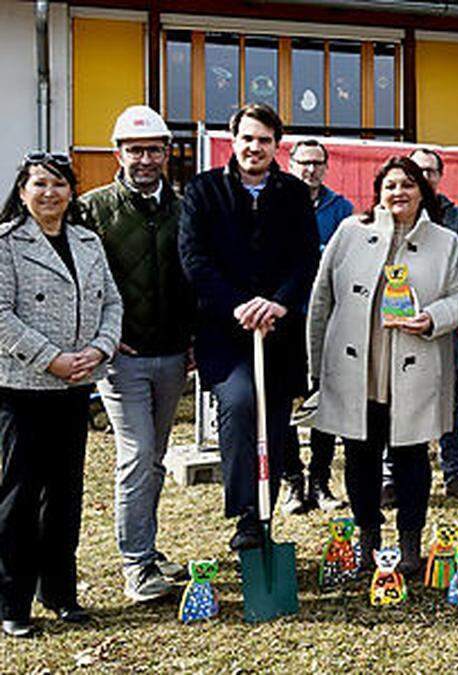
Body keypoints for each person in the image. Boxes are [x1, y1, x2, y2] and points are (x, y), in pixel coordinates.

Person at [308, 156, 458, 573]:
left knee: (411, 458)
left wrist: (434, 317)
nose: (399, 192)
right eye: (390, 185)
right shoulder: (350, 232)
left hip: (412, 365)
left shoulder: (445, 241)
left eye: (408, 184)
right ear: (378, 191)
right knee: (360, 455)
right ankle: (367, 537)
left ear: (423, 191)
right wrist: (314, 367)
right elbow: (321, 299)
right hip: (357, 366)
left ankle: (410, 541)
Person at [178, 103, 319, 552]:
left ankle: (265, 513)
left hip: (278, 333)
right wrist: (239, 305)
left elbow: (305, 258)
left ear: (277, 145)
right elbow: (194, 260)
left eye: (263, 140)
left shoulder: (294, 194)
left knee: (274, 422)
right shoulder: (203, 191)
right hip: (225, 331)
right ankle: (245, 514)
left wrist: (277, 303)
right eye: (247, 139)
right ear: (232, 141)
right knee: (239, 405)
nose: (254, 148)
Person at [0, 154, 123, 637]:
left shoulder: (88, 242)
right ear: (24, 191)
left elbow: (111, 302)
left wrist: (100, 347)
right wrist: (49, 357)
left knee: (66, 495)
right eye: (39, 184)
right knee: (20, 496)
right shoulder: (8, 244)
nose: (49, 193)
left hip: (75, 388)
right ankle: (13, 601)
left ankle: (60, 593)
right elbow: (1, 314)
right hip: (24, 387)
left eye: (58, 184)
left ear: (72, 191)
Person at [79, 106, 192, 603]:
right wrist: (100, 334)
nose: (144, 159)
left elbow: (194, 276)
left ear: (166, 153)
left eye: (153, 149)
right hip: (121, 355)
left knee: (156, 456)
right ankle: (137, 566)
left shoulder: (185, 208)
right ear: (117, 153)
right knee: (137, 454)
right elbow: (80, 282)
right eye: (134, 150)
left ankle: (148, 547)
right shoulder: (92, 209)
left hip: (172, 353)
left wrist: (193, 336)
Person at [396, 147, 458, 504]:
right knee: (395, 399)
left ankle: (453, 474)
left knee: (449, 401)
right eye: (419, 171)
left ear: (440, 177)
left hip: (446, 325)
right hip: (398, 325)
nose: (425, 177)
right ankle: (390, 477)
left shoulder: (457, 219)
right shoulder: (391, 214)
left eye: (431, 171)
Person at [282, 138, 354, 514]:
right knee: (285, 406)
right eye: (303, 163)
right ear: (290, 164)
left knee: (326, 403)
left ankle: (320, 481)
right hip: (286, 320)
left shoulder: (342, 209)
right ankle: (293, 481)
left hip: (329, 322)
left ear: (326, 167)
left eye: (317, 163)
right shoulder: (277, 203)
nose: (310, 170)